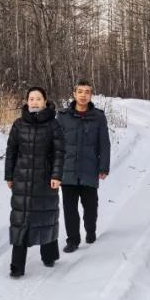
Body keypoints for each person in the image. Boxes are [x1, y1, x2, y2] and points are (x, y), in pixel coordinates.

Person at [5, 86, 65, 277]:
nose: (35, 102)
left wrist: (56, 176)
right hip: (22, 179)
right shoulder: (18, 124)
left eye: (38, 98)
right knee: (20, 220)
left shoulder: (54, 125)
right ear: (27, 101)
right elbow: (11, 152)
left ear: (45, 101)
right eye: (31, 99)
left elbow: (59, 153)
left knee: (46, 217)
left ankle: (49, 256)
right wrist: (9, 176)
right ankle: (17, 266)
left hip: (45, 180)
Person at [57, 80, 111, 252]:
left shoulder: (98, 117)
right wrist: (55, 169)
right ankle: (72, 240)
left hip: (89, 169)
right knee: (69, 209)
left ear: (91, 95)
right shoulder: (63, 116)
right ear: (74, 94)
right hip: (68, 170)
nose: (83, 95)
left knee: (90, 207)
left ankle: (91, 229)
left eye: (87, 92)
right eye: (80, 91)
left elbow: (104, 144)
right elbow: (56, 144)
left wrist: (103, 167)